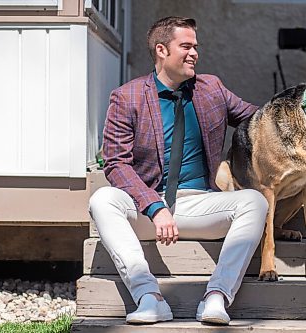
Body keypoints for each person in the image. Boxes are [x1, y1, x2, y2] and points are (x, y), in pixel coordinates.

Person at [89, 16, 268, 325]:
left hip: (201, 205)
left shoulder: (211, 88)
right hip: (148, 207)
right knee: (102, 199)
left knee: (254, 202)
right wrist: (155, 207)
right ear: (161, 50)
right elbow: (116, 163)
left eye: (195, 47)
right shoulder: (127, 97)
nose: (194, 53)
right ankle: (149, 297)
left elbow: (259, 120)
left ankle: (217, 297)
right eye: (186, 46)